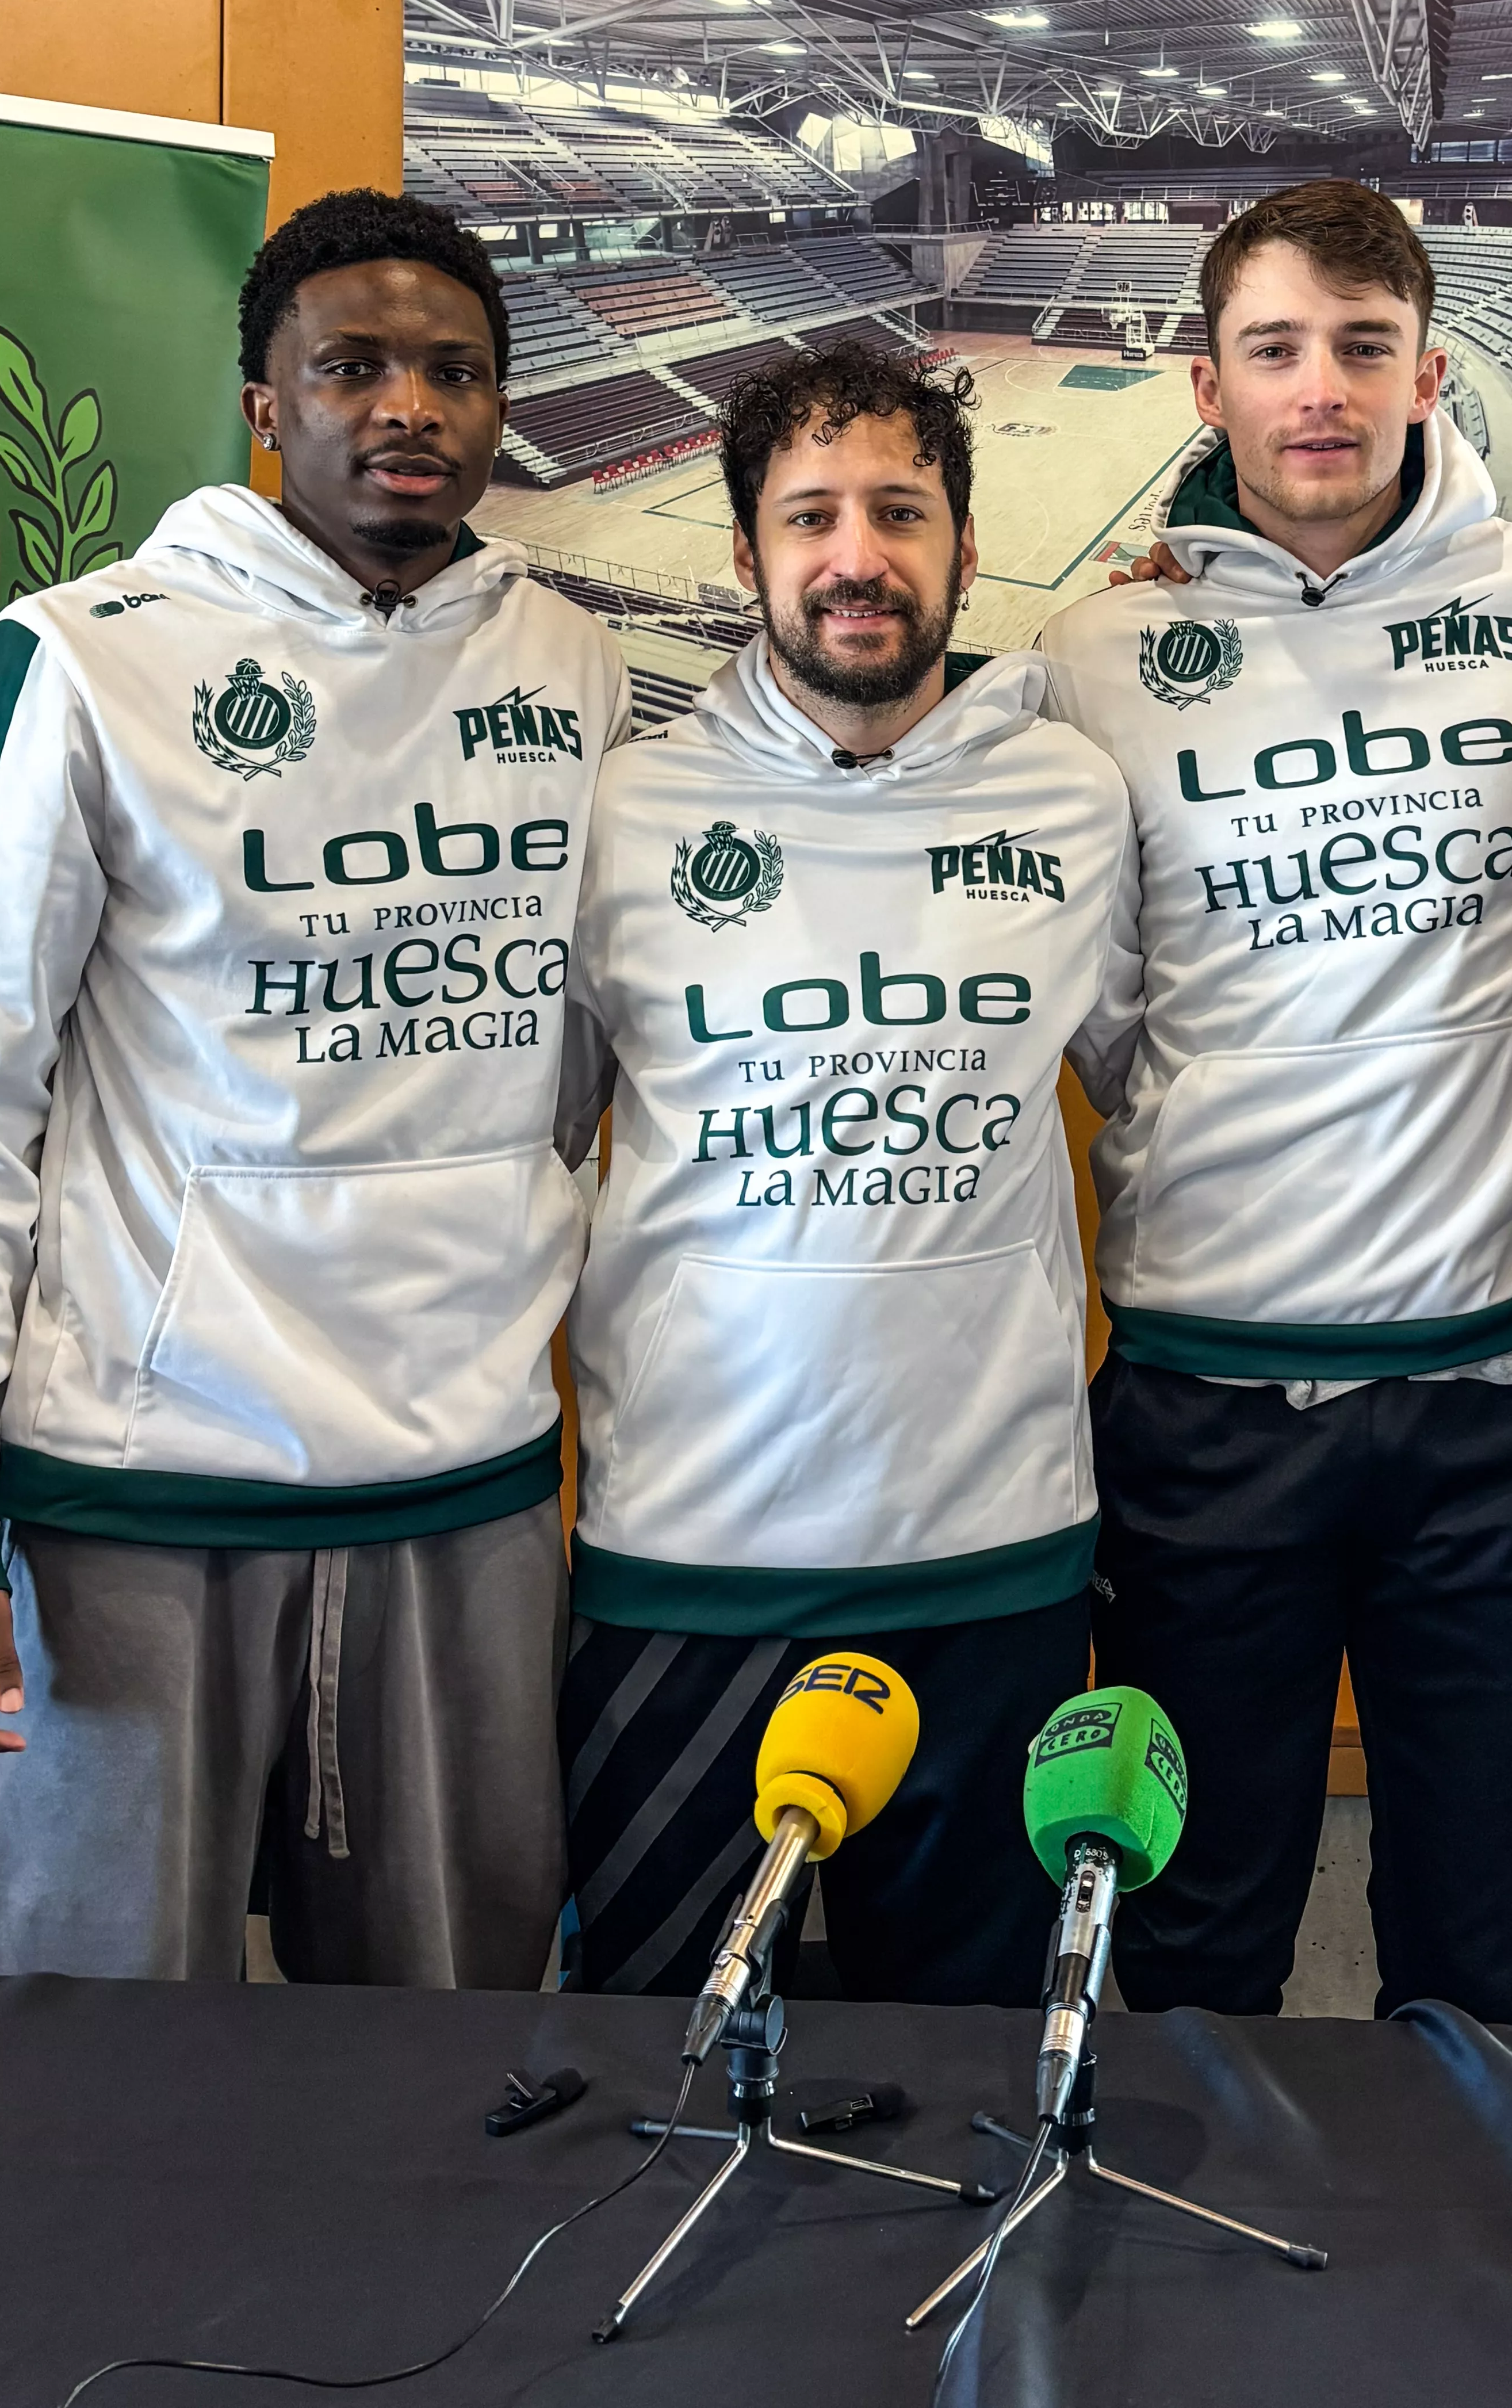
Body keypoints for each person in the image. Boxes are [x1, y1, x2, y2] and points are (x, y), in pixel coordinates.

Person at [0, 188, 630, 1985]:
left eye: (454, 370)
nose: (409, 407)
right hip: (133, 1494)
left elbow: (585, 1068)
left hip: (466, 1488)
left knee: (452, 2082)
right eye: (352, 365)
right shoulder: (85, 658)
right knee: (84, 2092)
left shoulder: (573, 665)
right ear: (262, 403)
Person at [1039, 179, 1512, 2021]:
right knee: (1196, 1940)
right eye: (1273, 348)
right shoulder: (1092, 663)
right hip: (1210, 1402)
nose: (1319, 387)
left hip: (1505, 1397)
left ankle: (1460, 2299)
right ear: (1203, 383)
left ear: (1428, 371)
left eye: (1360, 346)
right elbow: (1071, 987)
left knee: (1474, 1958)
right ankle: (1169, 2307)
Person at [557, 341, 1137, 2001]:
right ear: (745, 554)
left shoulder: (1072, 797)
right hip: (693, 1559)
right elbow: (529, 1141)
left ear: (961, 539)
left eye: (899, 509)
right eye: (809, 515)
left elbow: (1156, 1096)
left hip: (999, 1555)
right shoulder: (628, 813)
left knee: (978, 2091)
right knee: (664, 2070)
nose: (856, 556)